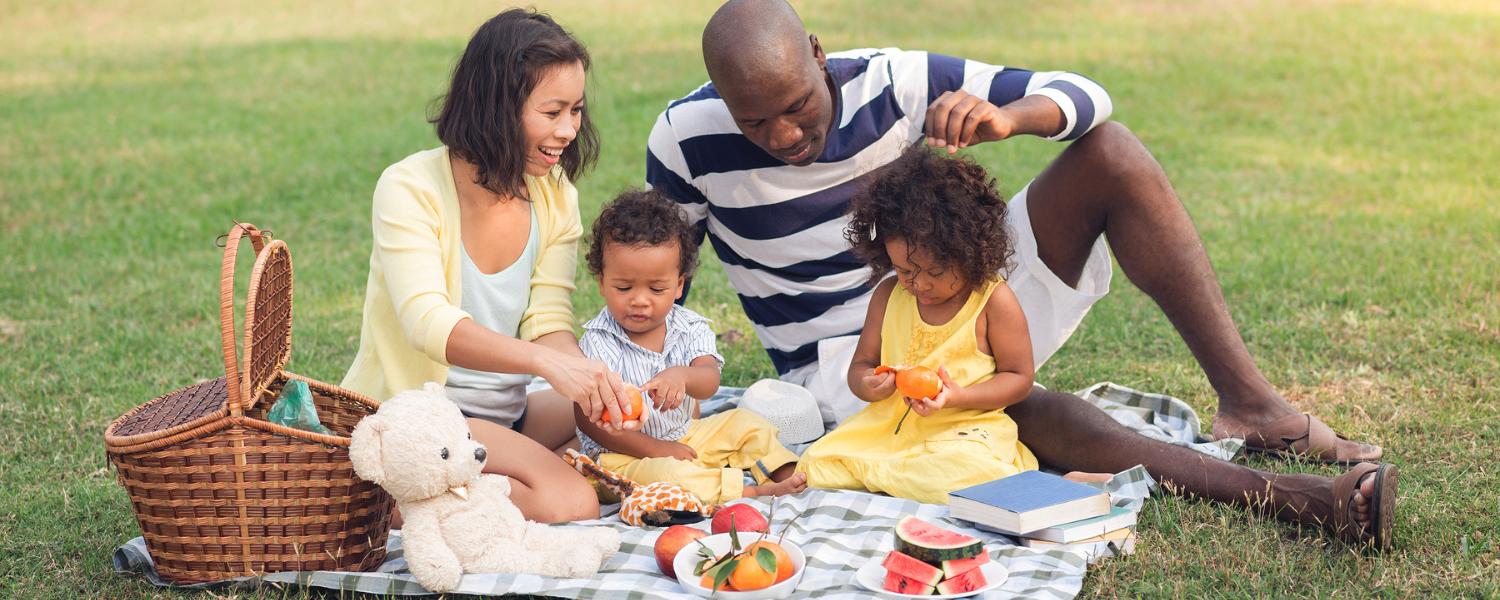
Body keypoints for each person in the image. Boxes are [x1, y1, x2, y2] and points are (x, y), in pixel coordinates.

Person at [646, 0, 1396, 548]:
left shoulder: (894, 81)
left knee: (1113, 152)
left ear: (817, 52)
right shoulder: (684, 138)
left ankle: (1254, 407)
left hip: (958, 295)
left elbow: (1088, 98)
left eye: (797, 106)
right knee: (1032, 413)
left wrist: (1011, 118)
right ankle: (1297, 500)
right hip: (852, 368)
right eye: (754, 121)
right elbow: (666, 277)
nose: (782, 136)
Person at [341, 8, 640, 523]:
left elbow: (547, 320)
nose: (569, 129)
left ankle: (454, 488)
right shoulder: (410, 188)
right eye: (552, 113)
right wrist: (544, 364)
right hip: (424, 419)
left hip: (503, 415)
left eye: (577, 110)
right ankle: (388, 498)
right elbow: (427, 323)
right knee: (572, 501)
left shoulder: (555, 196)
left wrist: (585, 375)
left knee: (615, 428)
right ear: (496, 108)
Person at [800, 146, 1115, 503]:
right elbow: (861, 365)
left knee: (967, 472)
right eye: (903, 270)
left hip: (963, 431)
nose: (917, 284)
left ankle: (1053, 484)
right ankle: (898, 476)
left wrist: (958, 397)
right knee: (814, 465)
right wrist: (867, 385)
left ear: (970, 253)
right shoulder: (888, 295)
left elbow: (1019, 379)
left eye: (934, 272)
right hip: (887, 430)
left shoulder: (993, 301)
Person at [573, 188, 807, 504]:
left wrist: (683, 376)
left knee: (745, 422)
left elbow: (709, 382)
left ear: (679, 284)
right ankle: (747, 491)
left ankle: (785, 471)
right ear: (601, 282)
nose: (640, 299)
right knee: (670, 478)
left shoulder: (689, 326)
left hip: (688, 436)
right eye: (623, 287)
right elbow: (587, 418)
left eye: (657, 288)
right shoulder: (598, 342)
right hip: (624, 458)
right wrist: (656, 450)